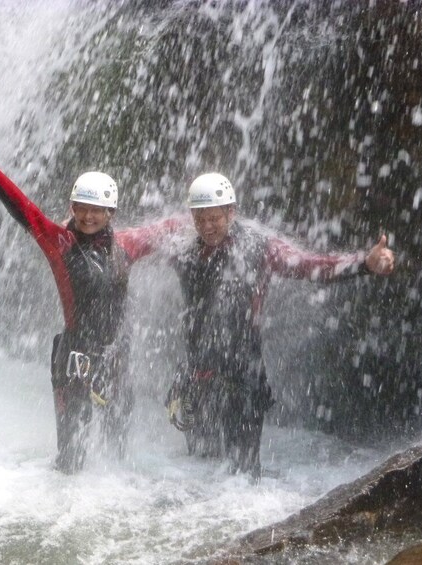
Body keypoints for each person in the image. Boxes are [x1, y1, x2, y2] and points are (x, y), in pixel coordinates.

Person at [0, 129, 180, 473]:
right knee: (71, 461)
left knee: (119, 455)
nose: (88, 216)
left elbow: (166, 228)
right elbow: (22, 209)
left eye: (97, 210)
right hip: (74, 359)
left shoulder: (126, 247)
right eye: (81, 208)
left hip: (115, 358)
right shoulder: (59, 242)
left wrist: (207, 219)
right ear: (71, 207)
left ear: (111, 212)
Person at [165, 172, 395, 478]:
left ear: (231, 212)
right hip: (198, 376)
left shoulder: (259, 248)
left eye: (215, 218)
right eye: (200, 218)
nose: (207, 226)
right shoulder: (184, 249)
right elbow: (139, 241)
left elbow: (311, 265)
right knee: (201, 469)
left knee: (241, 476)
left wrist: (364, 263)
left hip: (242, 376)